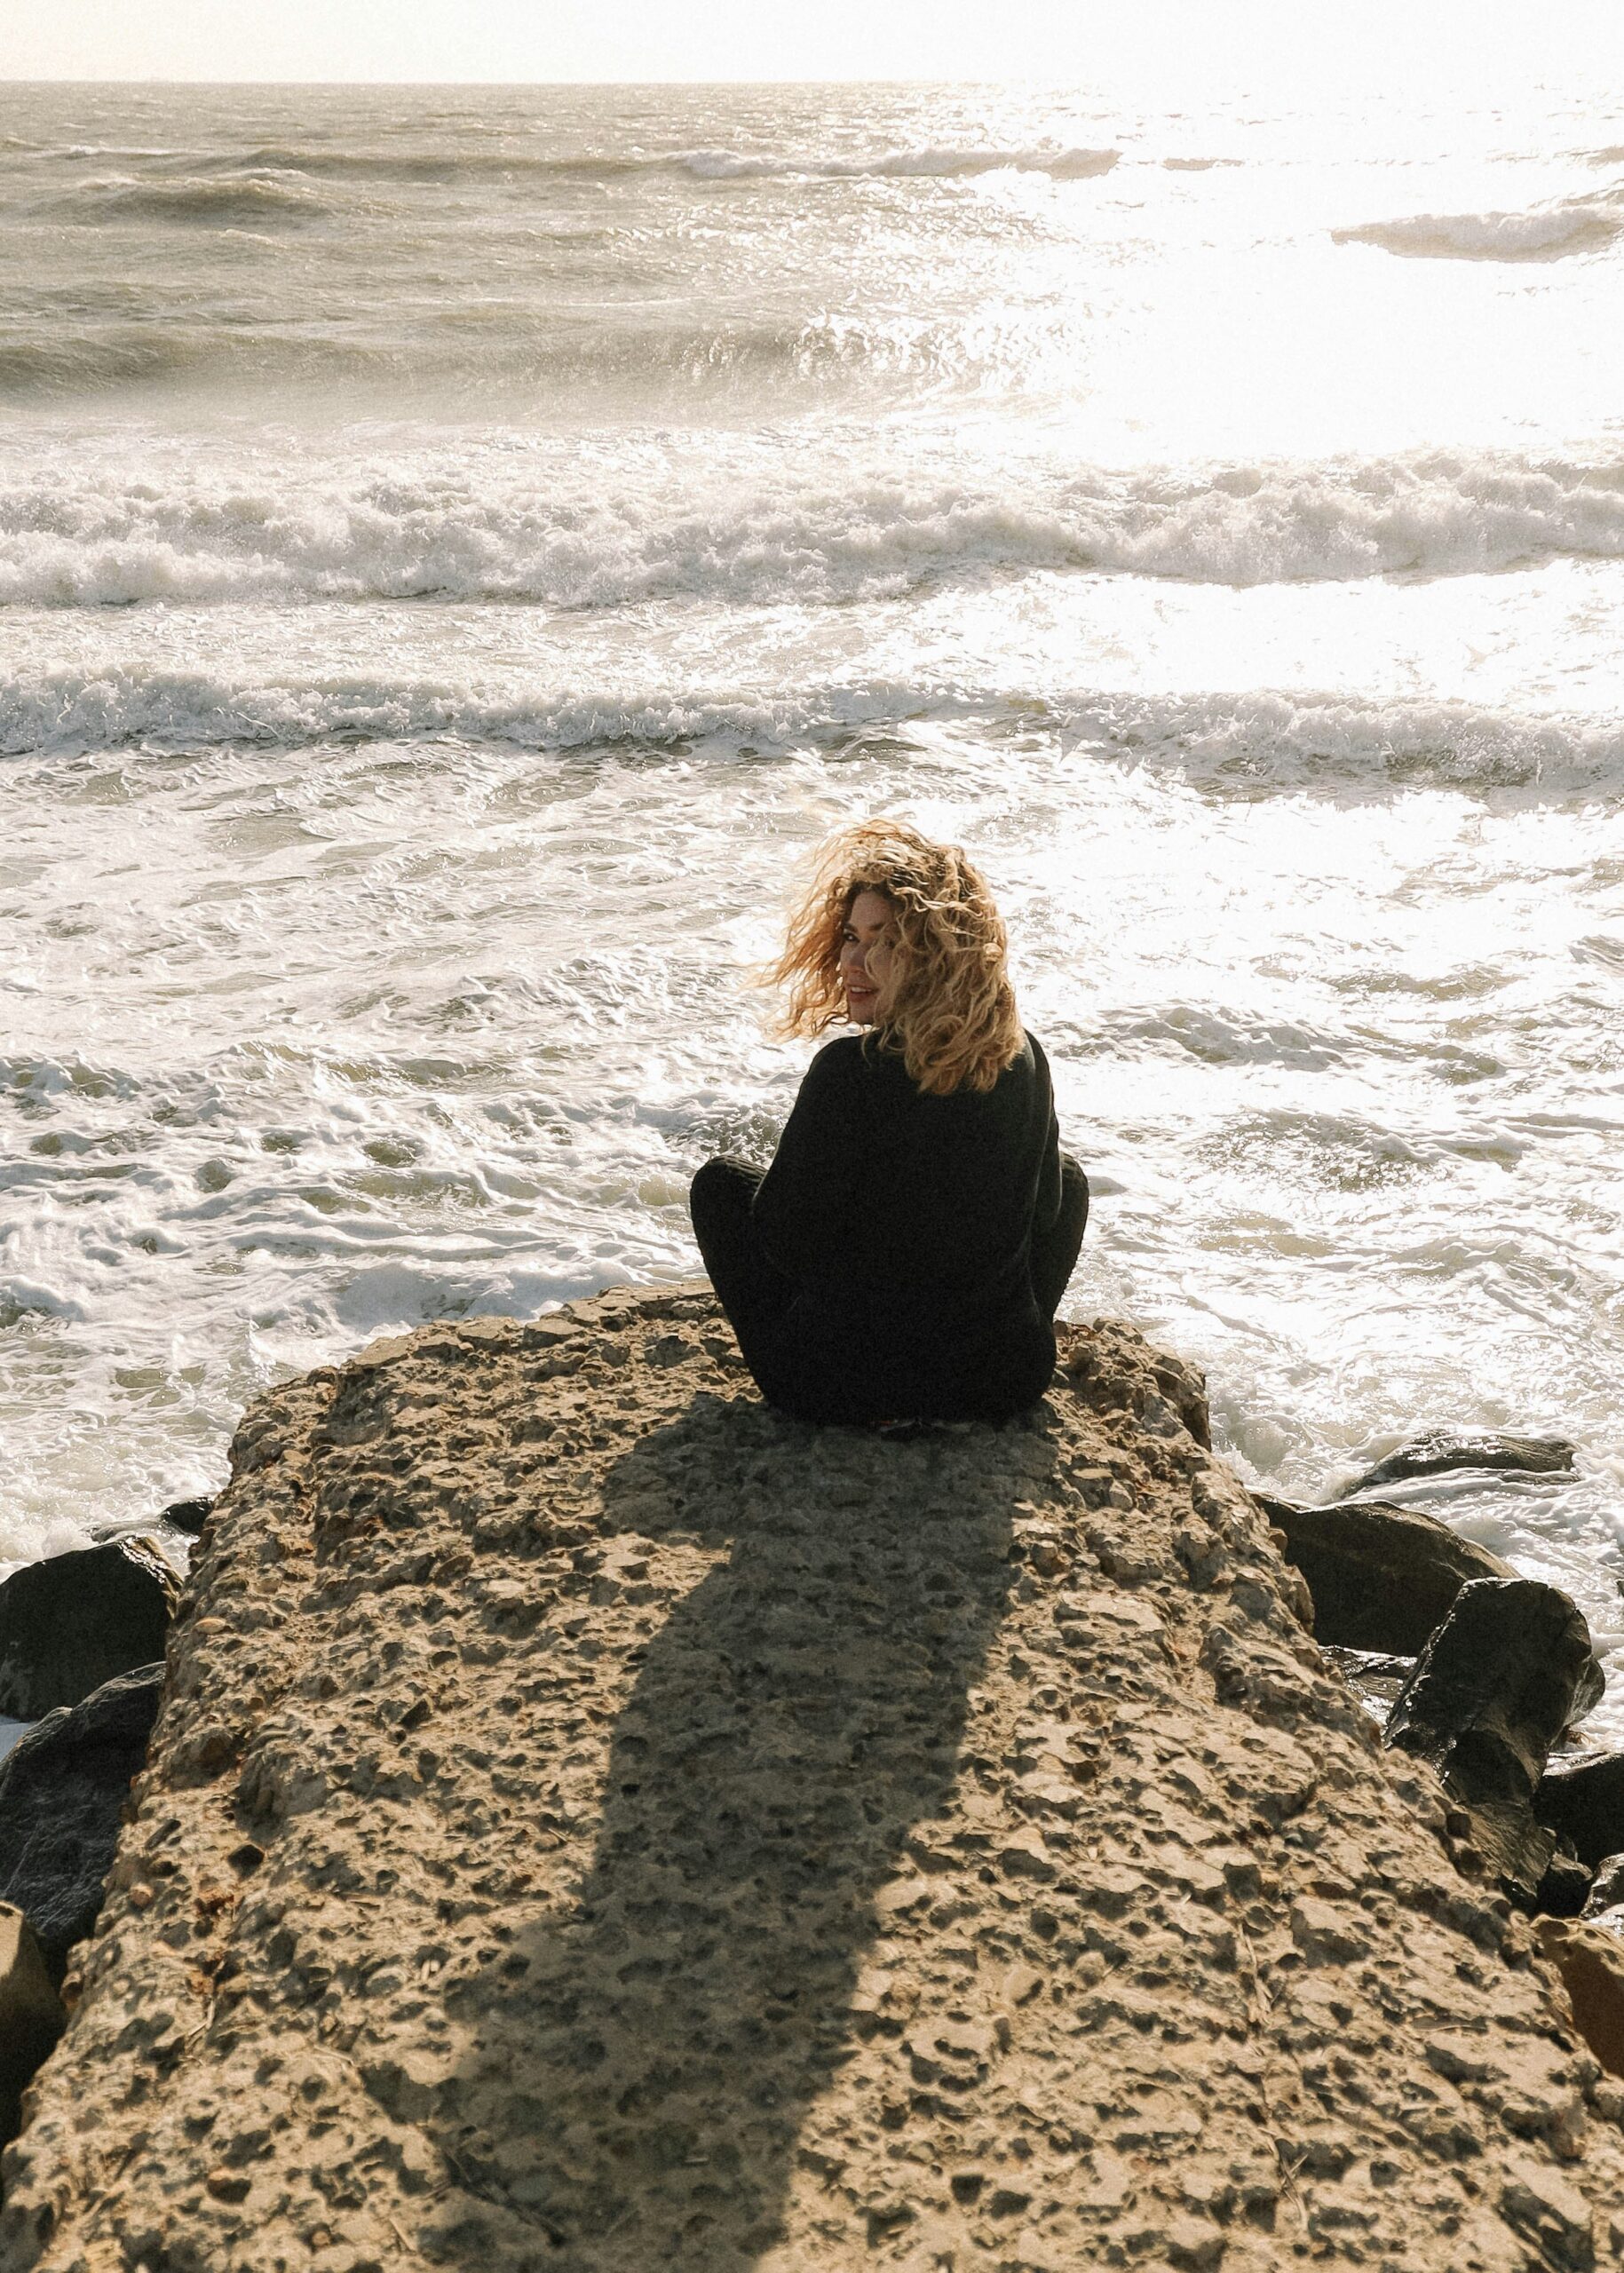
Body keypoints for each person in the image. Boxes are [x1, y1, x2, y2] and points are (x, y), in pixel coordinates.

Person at [689, 820, 1089, 1427]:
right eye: (850, 936)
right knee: (1066, 1177)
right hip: (1000, 1381)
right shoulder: (1020, 1053)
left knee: (720, 1182)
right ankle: (995, 1337)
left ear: (936, 956)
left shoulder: (848, 1072)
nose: (853, 959)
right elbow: (1047, 1215)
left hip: (839, 1387)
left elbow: (784, 1241)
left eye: (883, 941)